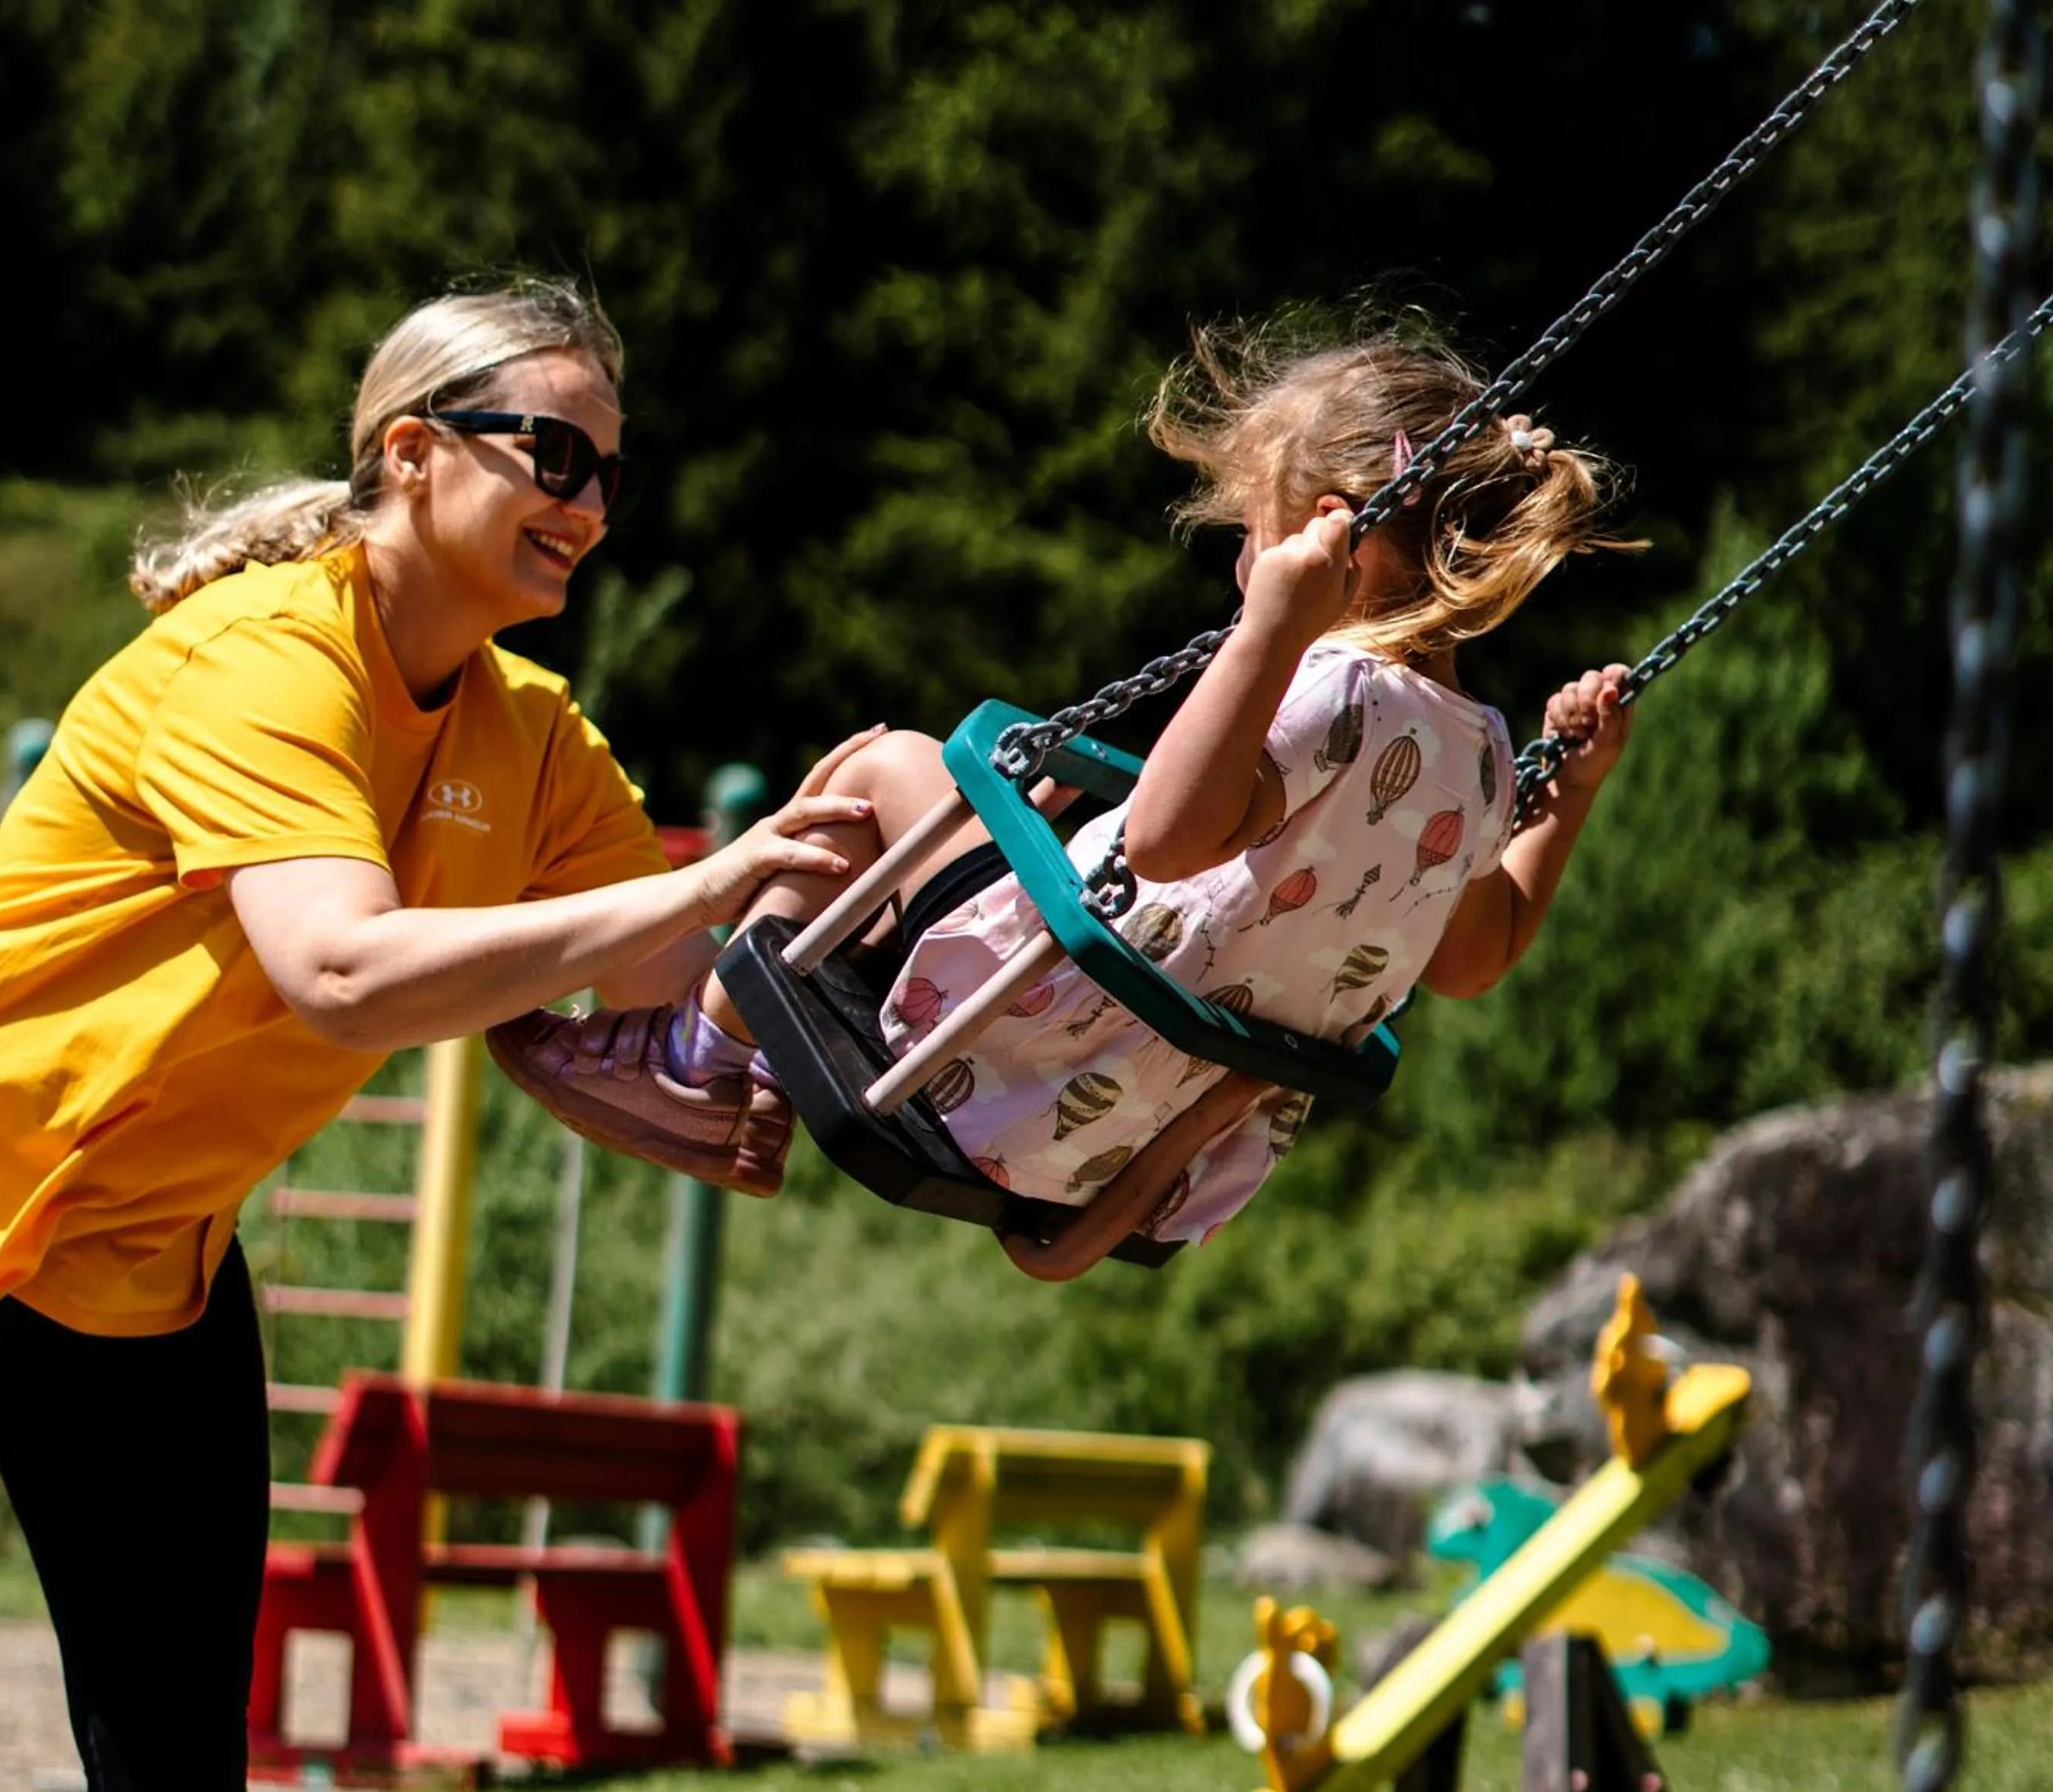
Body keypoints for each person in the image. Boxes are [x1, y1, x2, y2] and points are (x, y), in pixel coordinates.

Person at [0, 276, 870, 1792]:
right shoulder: (267, 652)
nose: (590, 504)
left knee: (171, 1755)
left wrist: (866, 878)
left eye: (611, 472)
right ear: (413, 452)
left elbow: (674, 980)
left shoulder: (532, 736)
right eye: (554, 456)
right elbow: (342, 969)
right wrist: (702, 881)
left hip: (145, 1249)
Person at [490, 318, 1641, 1279]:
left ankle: (701, 1063)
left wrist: (1271, 630)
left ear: (1335, 535)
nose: (1240, 565)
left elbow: (1169, 839)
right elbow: (1473, 955)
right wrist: (1570, 796)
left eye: (1252, 531)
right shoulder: (1484, 757)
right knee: (989, 816)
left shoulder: (1332, 684)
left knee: (883, 766)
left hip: (1011, 1053)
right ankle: (734, 1062)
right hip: (1143, 1154)